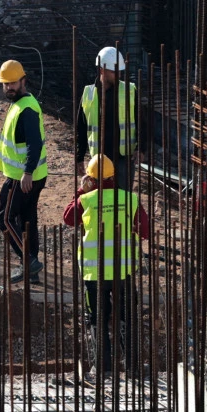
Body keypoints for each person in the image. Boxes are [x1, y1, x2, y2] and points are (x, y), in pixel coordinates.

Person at [62, 155, 148, 377]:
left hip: (95, 273)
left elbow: (69, 218)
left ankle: (103, 367)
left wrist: (81, 191)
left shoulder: (86, 200)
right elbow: (145, 230)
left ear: (90, 178)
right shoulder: (130, 199)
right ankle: (132, 367)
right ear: (113, 175)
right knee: (126, 316)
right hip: (123, 271)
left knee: (97, 318)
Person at [0, 60, 47, 284]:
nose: (8, 88)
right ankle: (31, 270)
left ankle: (29, 262)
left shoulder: (27, 109)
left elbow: (34, 143)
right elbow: (9, 134)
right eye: (5, 84)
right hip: (33, 175)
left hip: (22, 177)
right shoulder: (21, 104)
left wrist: (27, 172)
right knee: (27, 221)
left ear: (23, 81)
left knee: (4, 218)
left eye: (12, 83)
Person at [77, 46, 140, 190]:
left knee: (123, 198)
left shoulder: (129, 91)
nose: (119, 75)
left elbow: (141, 120)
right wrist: (79, 156)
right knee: (100, 199)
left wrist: (140, 148)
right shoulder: (88, 93)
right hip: (99, 159)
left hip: (123, 158)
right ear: (102, 70)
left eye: (120, 71)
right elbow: (81, 126)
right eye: (114, 71)